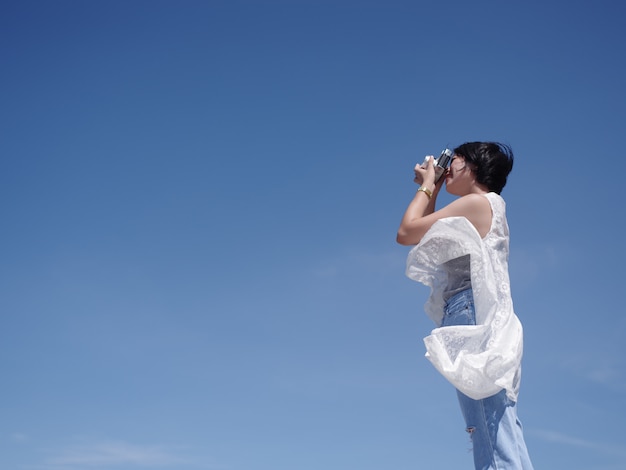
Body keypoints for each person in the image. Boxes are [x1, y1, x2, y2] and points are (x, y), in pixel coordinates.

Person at [396, 142, 533, 469]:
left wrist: (430, 184)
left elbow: (406, 232)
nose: (448, 166)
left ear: (474, 166)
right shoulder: (481, 208)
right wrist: (432, 188)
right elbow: (427, 236)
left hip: (471, 313)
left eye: (454, 160)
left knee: (488, 426)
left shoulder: (478, 203)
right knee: (497, 424)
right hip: (479, 314)